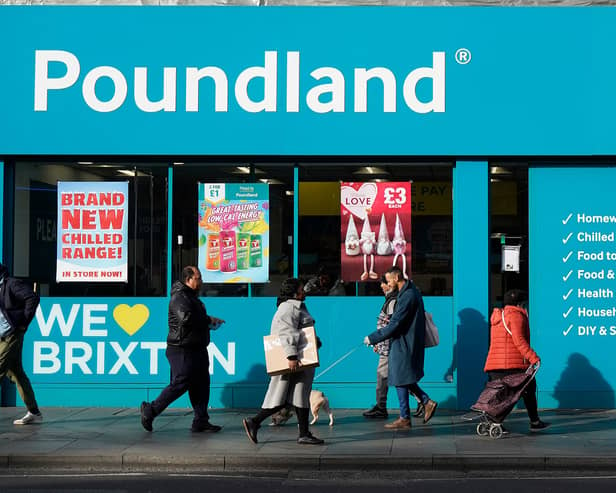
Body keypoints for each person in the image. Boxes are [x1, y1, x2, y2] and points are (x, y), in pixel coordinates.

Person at [140, 266, 225, 433]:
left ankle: (201, 420)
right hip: (182, 348)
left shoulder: (191, 297)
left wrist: (209, 323)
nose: (201, 281)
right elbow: (186, 318)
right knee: (181, 382)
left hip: (197, 347)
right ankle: (151, 410)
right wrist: (209, 319)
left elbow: (194, 318)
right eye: (198, 278)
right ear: (188, 279)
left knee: (201, 383)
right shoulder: (180, 296)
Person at [242, 278, 324, 445]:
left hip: (299, 360)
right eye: (301, 289)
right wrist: (292, 356)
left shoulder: (295, 306)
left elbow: (301, 331)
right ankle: (255, 421)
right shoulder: (288, 307)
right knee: (284, 397)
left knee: (299, 397)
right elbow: (286, 332)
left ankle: (304, 433)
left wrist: (314, 341)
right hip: (294, 361)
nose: (304, 291)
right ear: (294, 293)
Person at [364, 266, 437, 430]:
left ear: (396, 278)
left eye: (389, 280)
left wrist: (373, 338)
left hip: (404, 342)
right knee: (401, 378)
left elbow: (395, 323)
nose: (388, 284)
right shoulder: (410, 293)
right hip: (404, 341)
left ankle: (410, 413)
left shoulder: (407, 296)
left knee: (399, 377)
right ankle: (423, 404)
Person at [484, 289, 549, 431]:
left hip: (495, 363)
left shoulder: (498, 316)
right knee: (525, 390)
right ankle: (534, 422)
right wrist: (533, 358)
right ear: (520, 303)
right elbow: (519, 340)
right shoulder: (516, 316)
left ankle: (493, 421)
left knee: (500, 394)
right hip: (512, 363)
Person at [0, 263, 43, 425]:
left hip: (12, 333)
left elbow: (32, 298)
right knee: (16, 372)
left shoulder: (11, 284)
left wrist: (23, 322)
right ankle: (34, 412)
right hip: (1, 334)